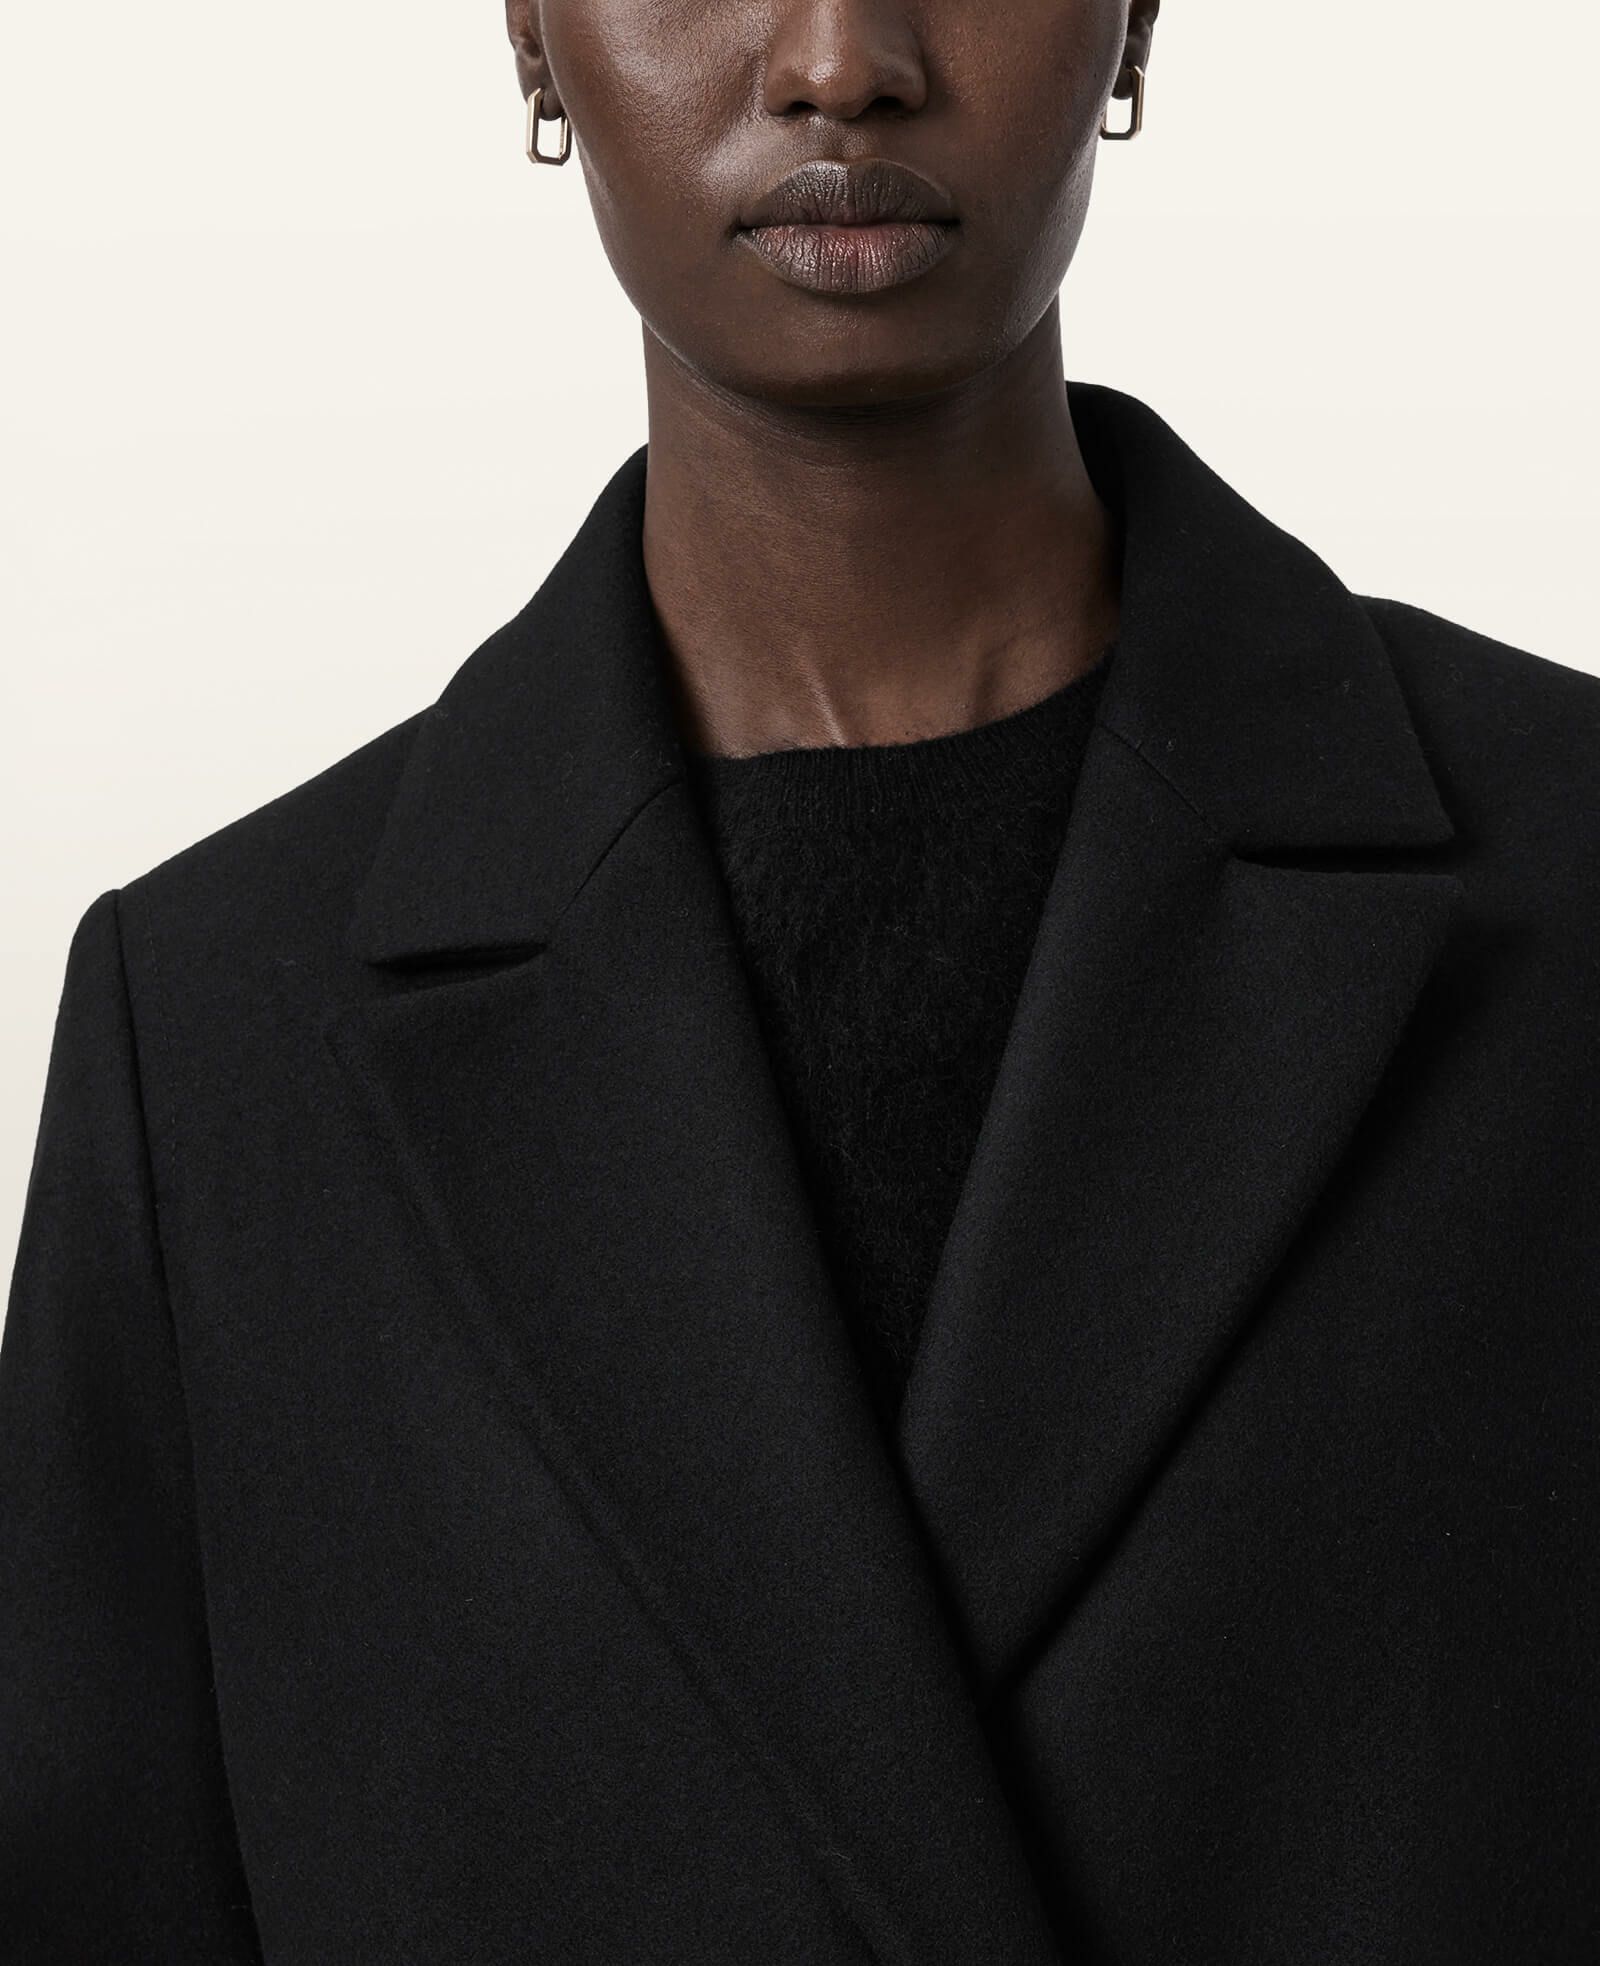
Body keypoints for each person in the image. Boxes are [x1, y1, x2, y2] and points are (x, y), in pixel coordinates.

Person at [3, 2, 1596, 1961]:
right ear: (530, 37)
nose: (840, 58)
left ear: (1136, 22)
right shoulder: (211, 1043)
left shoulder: (1564, 888)